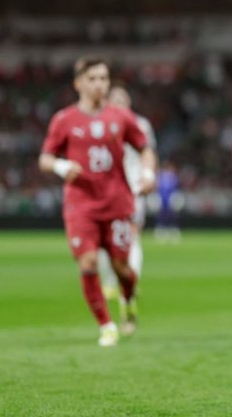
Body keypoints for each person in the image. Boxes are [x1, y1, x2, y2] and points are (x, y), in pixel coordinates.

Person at [39, 57, 156, 346]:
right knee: (88, 263)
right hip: (81, 204)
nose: (99, 84)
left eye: (104, 78)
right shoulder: (64, 119)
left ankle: (129, 299)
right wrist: (61, 167)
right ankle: (106, 325)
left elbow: (144, 148)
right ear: (78, 83)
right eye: (93, 79)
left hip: (117, 202)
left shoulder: (121, 117)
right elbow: (45, 158)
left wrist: (149, 172)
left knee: (122, 268)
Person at [98, 85, 157, 318]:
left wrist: (148, 177)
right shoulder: (100, 123)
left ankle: (129, 283)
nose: (120, 103)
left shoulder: (140, 125)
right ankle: (111, 282)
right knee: (105, 239)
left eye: (124, 99)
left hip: (132, 188)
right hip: (104, 190)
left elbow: (149, 153)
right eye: (115, 99)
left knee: (132, 236)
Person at [153, 161, 182, 243]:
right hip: (162, 199)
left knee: (172, 215)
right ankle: (161, 229)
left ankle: (173, 229)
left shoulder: (173, 176)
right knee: (161, 215)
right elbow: (157, 187)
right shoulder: (160, 176)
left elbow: (176, 188)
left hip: (170, 199)